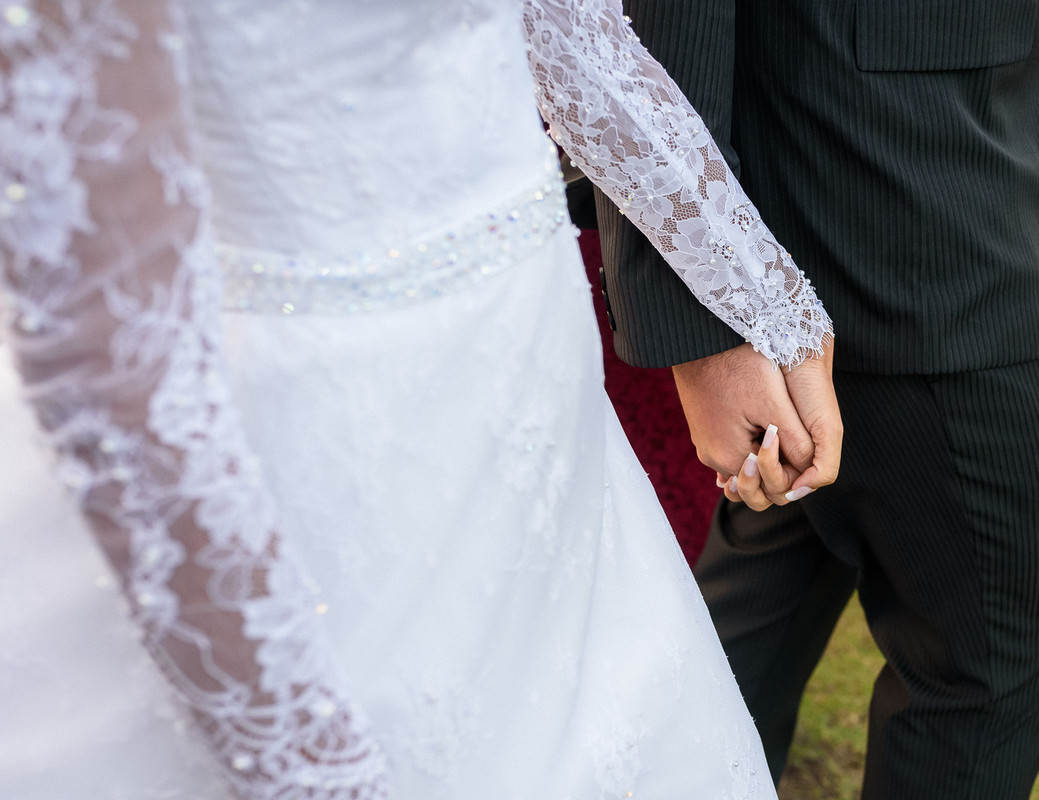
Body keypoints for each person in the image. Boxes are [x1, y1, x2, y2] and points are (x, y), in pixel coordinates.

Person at [0, 0, 839, 796]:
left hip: (535, 386)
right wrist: (308, 766)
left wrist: (771, 305)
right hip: (317, 430)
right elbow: (97, 332)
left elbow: (580, 47)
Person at [592, 0, 1039, 795]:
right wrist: (706, 328)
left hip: (948, 158)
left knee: (740, 643)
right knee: (994, 670)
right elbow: (633, 43)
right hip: (918, 222)